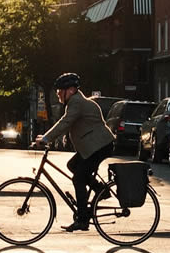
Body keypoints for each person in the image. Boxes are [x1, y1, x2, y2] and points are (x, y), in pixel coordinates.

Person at [33, 72, 115, 231]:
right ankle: (100, 190)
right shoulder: (76, 102)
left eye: (59, 92)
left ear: (70, 90)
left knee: (78, 178)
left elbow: (65, 122)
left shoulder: (76, 102)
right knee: (72, 165)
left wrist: (45, 139)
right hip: (94, 146)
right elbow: (70, 125)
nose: (58, 95)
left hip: (99, 146)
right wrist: (49, 137)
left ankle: (83, 219)